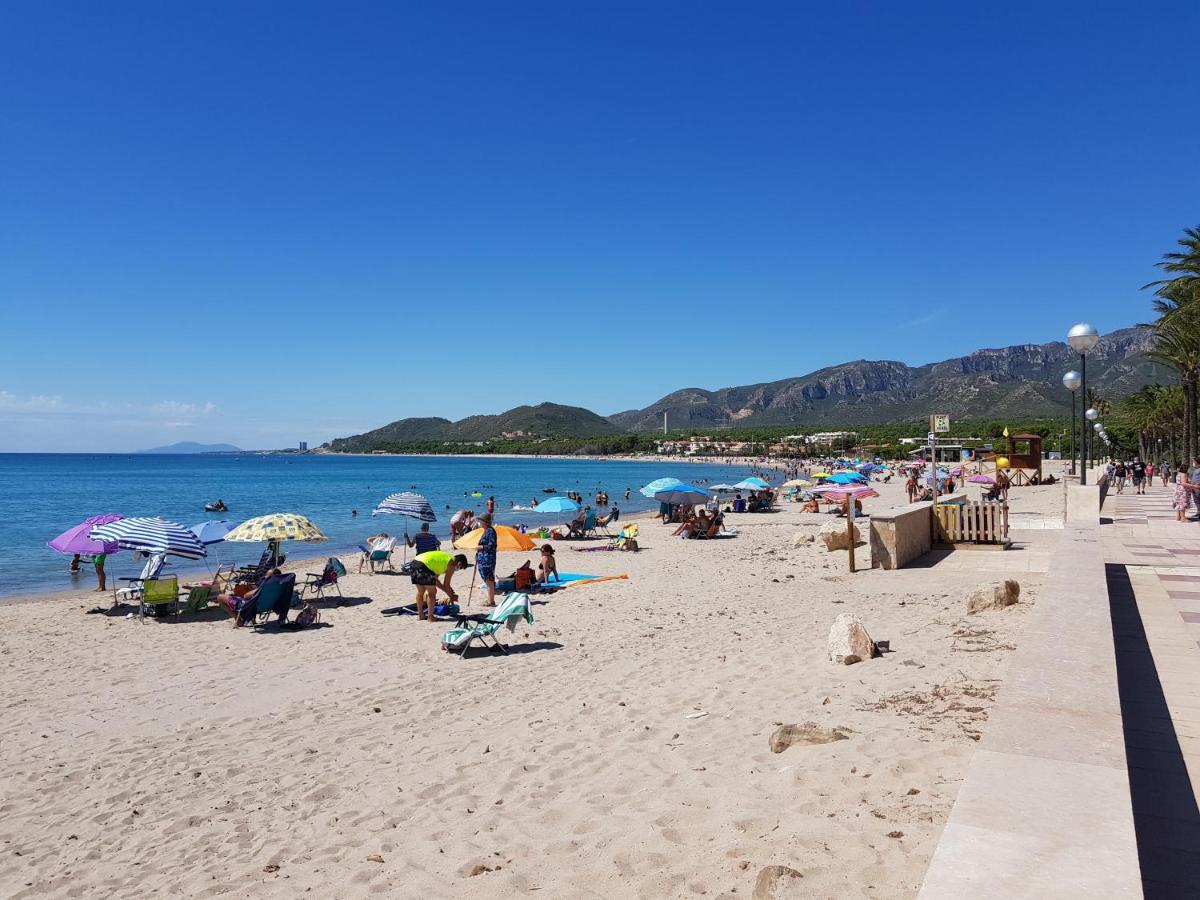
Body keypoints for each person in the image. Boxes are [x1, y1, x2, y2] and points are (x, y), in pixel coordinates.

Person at [215, 568, 288, 627]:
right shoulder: (280, 587)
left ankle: (238, 620)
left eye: (267, 576)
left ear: (271, 578)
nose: (264, 577)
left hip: (249, 606)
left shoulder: (265, 586)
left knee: (220, 597)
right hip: (268, 606)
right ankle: (251, 619)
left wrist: (256, 590)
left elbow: (246, 596)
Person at [409, 550, 470, 621]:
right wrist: (451, 595)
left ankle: (421, 615)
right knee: (432, 592)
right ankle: (430, 617)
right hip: (424, 566)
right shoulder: (452, 564)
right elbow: (446, 585)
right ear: (459, 564)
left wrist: (449, 593)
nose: (457, 569)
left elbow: (435, 581)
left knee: (421, 591)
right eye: (460, 568)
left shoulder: (443, 560)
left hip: (414, 563)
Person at [475, 513, 498, 607]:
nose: (479, 522)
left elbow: (492, 546)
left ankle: (491, 601)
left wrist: (480, 547)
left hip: (487, 558)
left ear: (485, 522)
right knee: (488, 580)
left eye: (480, 520)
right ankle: (490, 600)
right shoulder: (486, 531)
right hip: (484, 558)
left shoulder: (490, 531)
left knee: (489, 579)